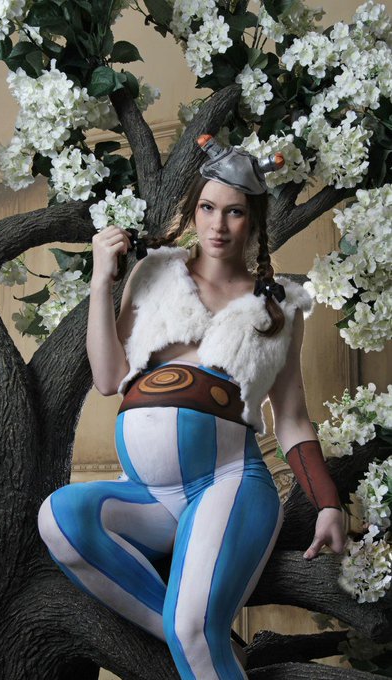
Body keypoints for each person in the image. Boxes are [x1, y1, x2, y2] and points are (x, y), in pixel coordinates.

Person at [38, 137, 347, 680]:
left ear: (253, 220)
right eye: (207, 208)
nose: (217, 225)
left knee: (193, 633)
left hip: (228, 483)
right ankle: (201, 634)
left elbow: (292, 418)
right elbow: (108, 379)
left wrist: (327, 502)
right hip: (150, 497)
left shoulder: (277, 307)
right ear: (192, 210)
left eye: (234, 212)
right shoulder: (154, 274)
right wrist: (101, 281)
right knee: (59, 518)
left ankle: (196, 633)